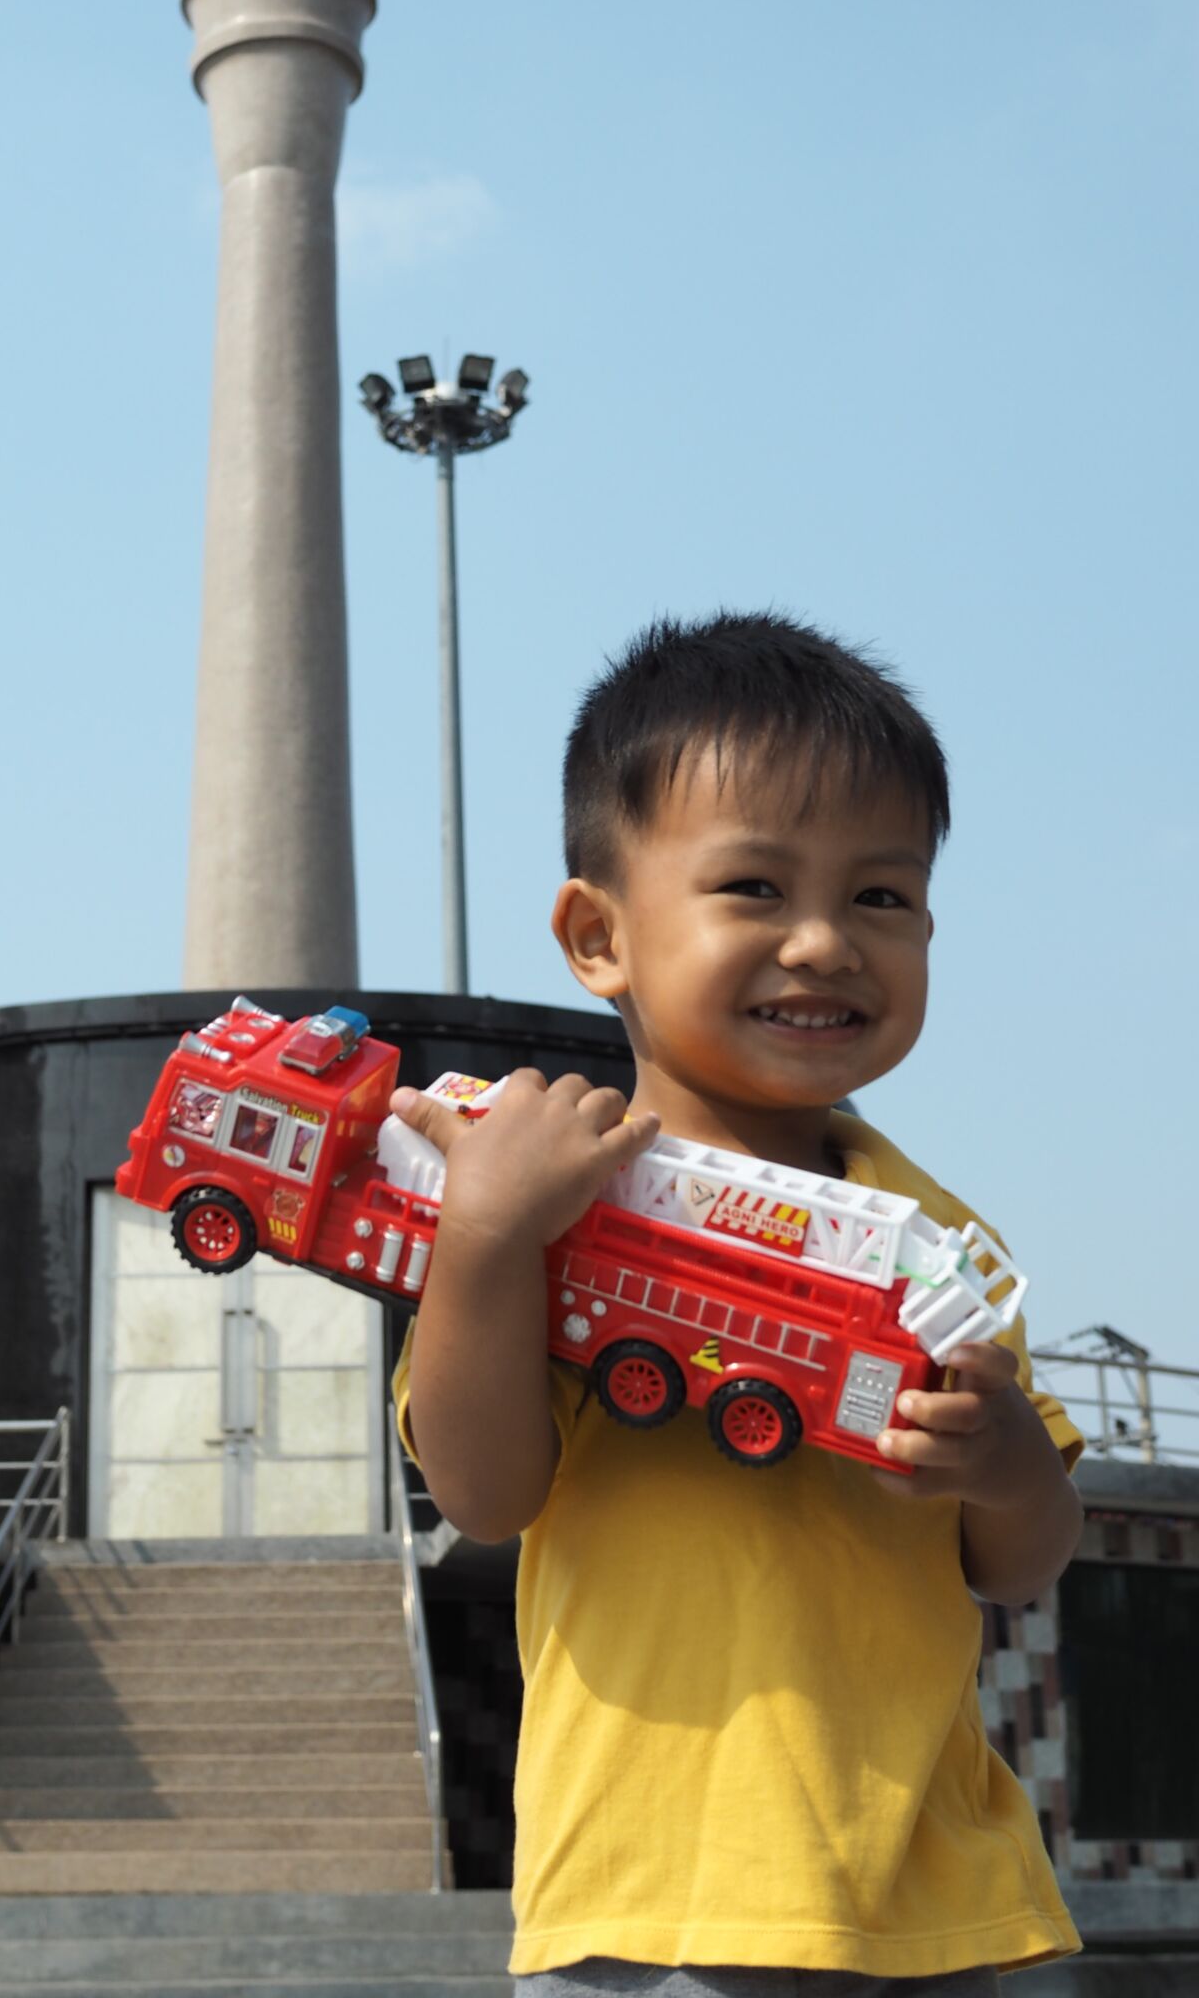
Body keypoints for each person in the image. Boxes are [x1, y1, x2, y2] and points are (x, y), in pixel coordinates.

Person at [391, 612, 1083, 1996]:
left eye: (880, 899)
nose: (824, 943)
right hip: (664, 1912)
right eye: (756, 889)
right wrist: (479, 1240)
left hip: (956, 1907)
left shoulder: (935, 1237)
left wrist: (1007, 1467)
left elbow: (1018, 1559)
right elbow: (484, 1491)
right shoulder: (550, 1205)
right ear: (599, 936)